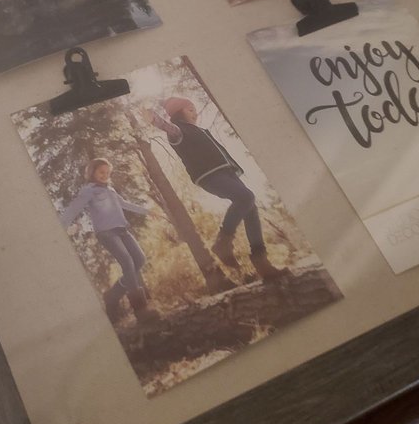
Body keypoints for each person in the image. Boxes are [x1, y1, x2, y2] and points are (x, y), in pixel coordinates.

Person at [145, 98, 288, 282]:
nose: (195, 113)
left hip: (226, 172)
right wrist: (154, 119)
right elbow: (167, 127)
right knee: (246, 197)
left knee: (250, 207)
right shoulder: (180, 131)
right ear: (179, 113)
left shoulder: (201, 130)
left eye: (194, 109)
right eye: (190, 109)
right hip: (209, 175)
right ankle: (223, 243)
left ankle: (262, 263)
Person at [59, 158, 158, 323]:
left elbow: (125, 204)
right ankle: (141, 310)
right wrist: (61, 226)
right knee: (127, 262)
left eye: (107, 172)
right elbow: (73, 209)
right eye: (101, 172)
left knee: (139, 259)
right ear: (93, 172)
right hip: (106, 233)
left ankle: (112, 295)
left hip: (122, 230)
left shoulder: (110, 190)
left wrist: (147, 211)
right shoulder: (89, 191)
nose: (105, 175)